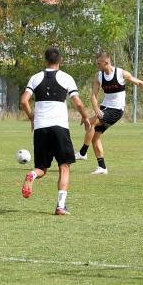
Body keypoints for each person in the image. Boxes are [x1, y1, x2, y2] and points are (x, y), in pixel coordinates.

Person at [20, 47, 89, 215]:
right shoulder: (66, 78)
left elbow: (24, 100)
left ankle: (32, 174)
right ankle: (60, 206)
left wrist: (31, 117)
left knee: (41, 168)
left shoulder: (35, 78)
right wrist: (86, 117)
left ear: (45, 61)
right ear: (61, 61)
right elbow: (78, 103)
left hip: (41, 128)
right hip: (59, 128)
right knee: (64, 166)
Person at [75, 52, 143, 175]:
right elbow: (94, 95)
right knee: (95, 136)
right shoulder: (98, 76)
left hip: (116, 110)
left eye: (99, 63)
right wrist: (96, 108)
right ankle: (102, 167)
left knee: (90, 123)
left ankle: (83, 152)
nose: (97, 66)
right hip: (104, 108)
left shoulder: (121, 74)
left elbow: (139, 82)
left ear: (106, 63)